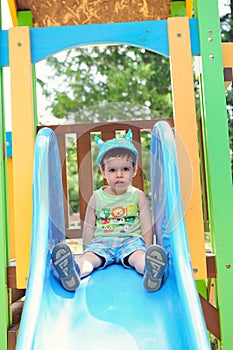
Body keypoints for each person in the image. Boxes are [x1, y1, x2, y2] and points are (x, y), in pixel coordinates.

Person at [51, 129, 167, 292]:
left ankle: (151, 270)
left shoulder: (138, 196)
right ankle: (73, 273)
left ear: (134, 171)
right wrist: (87, 250)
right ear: (103, 172)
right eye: (112, 170)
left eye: (125, 169)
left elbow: (146, 226)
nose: (119, 175)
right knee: (89, 260)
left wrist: (147, 249)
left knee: (138, 258)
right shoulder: (97, 197)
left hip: (130, 240)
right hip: (102, 241)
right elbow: (89, 227)